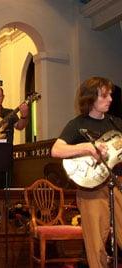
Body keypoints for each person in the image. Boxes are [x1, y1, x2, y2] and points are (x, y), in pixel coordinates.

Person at [51, 76, 122, 267]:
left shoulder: (116, 124)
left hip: (117, 186)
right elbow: (56, 150)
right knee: (96, 245)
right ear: (91, 99)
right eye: (104, 96)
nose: (110, 100)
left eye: (110, 95)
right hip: (91, 191)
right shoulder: (77, 124)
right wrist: (87, 148)